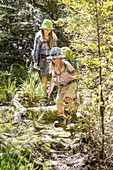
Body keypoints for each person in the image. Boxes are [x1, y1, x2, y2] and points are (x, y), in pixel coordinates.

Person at [47, 47, 79, 127]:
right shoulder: (53, 67)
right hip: (62, 85)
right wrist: (50, 89)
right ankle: (61, 118)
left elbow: (76, 74)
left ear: (61, 58)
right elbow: (53, 79)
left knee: (68, 98)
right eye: (54, 59)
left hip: (71, 83)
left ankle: (73, 116)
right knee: (58, 101)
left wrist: (73, 77)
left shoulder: (66, 64)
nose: (55, 60)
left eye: (57, 58)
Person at [32, 19, 57, 95]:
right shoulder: (39, 36)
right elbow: (36, 50)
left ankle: (50, 92)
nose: (47, 31)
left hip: (51, 58)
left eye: (49, 30)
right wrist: (35, 61)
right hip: (42, 59)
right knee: (44, 76)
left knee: (53, 76)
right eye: (46, 29)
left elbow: (55, 49)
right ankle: (43, 94)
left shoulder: (53, 37)